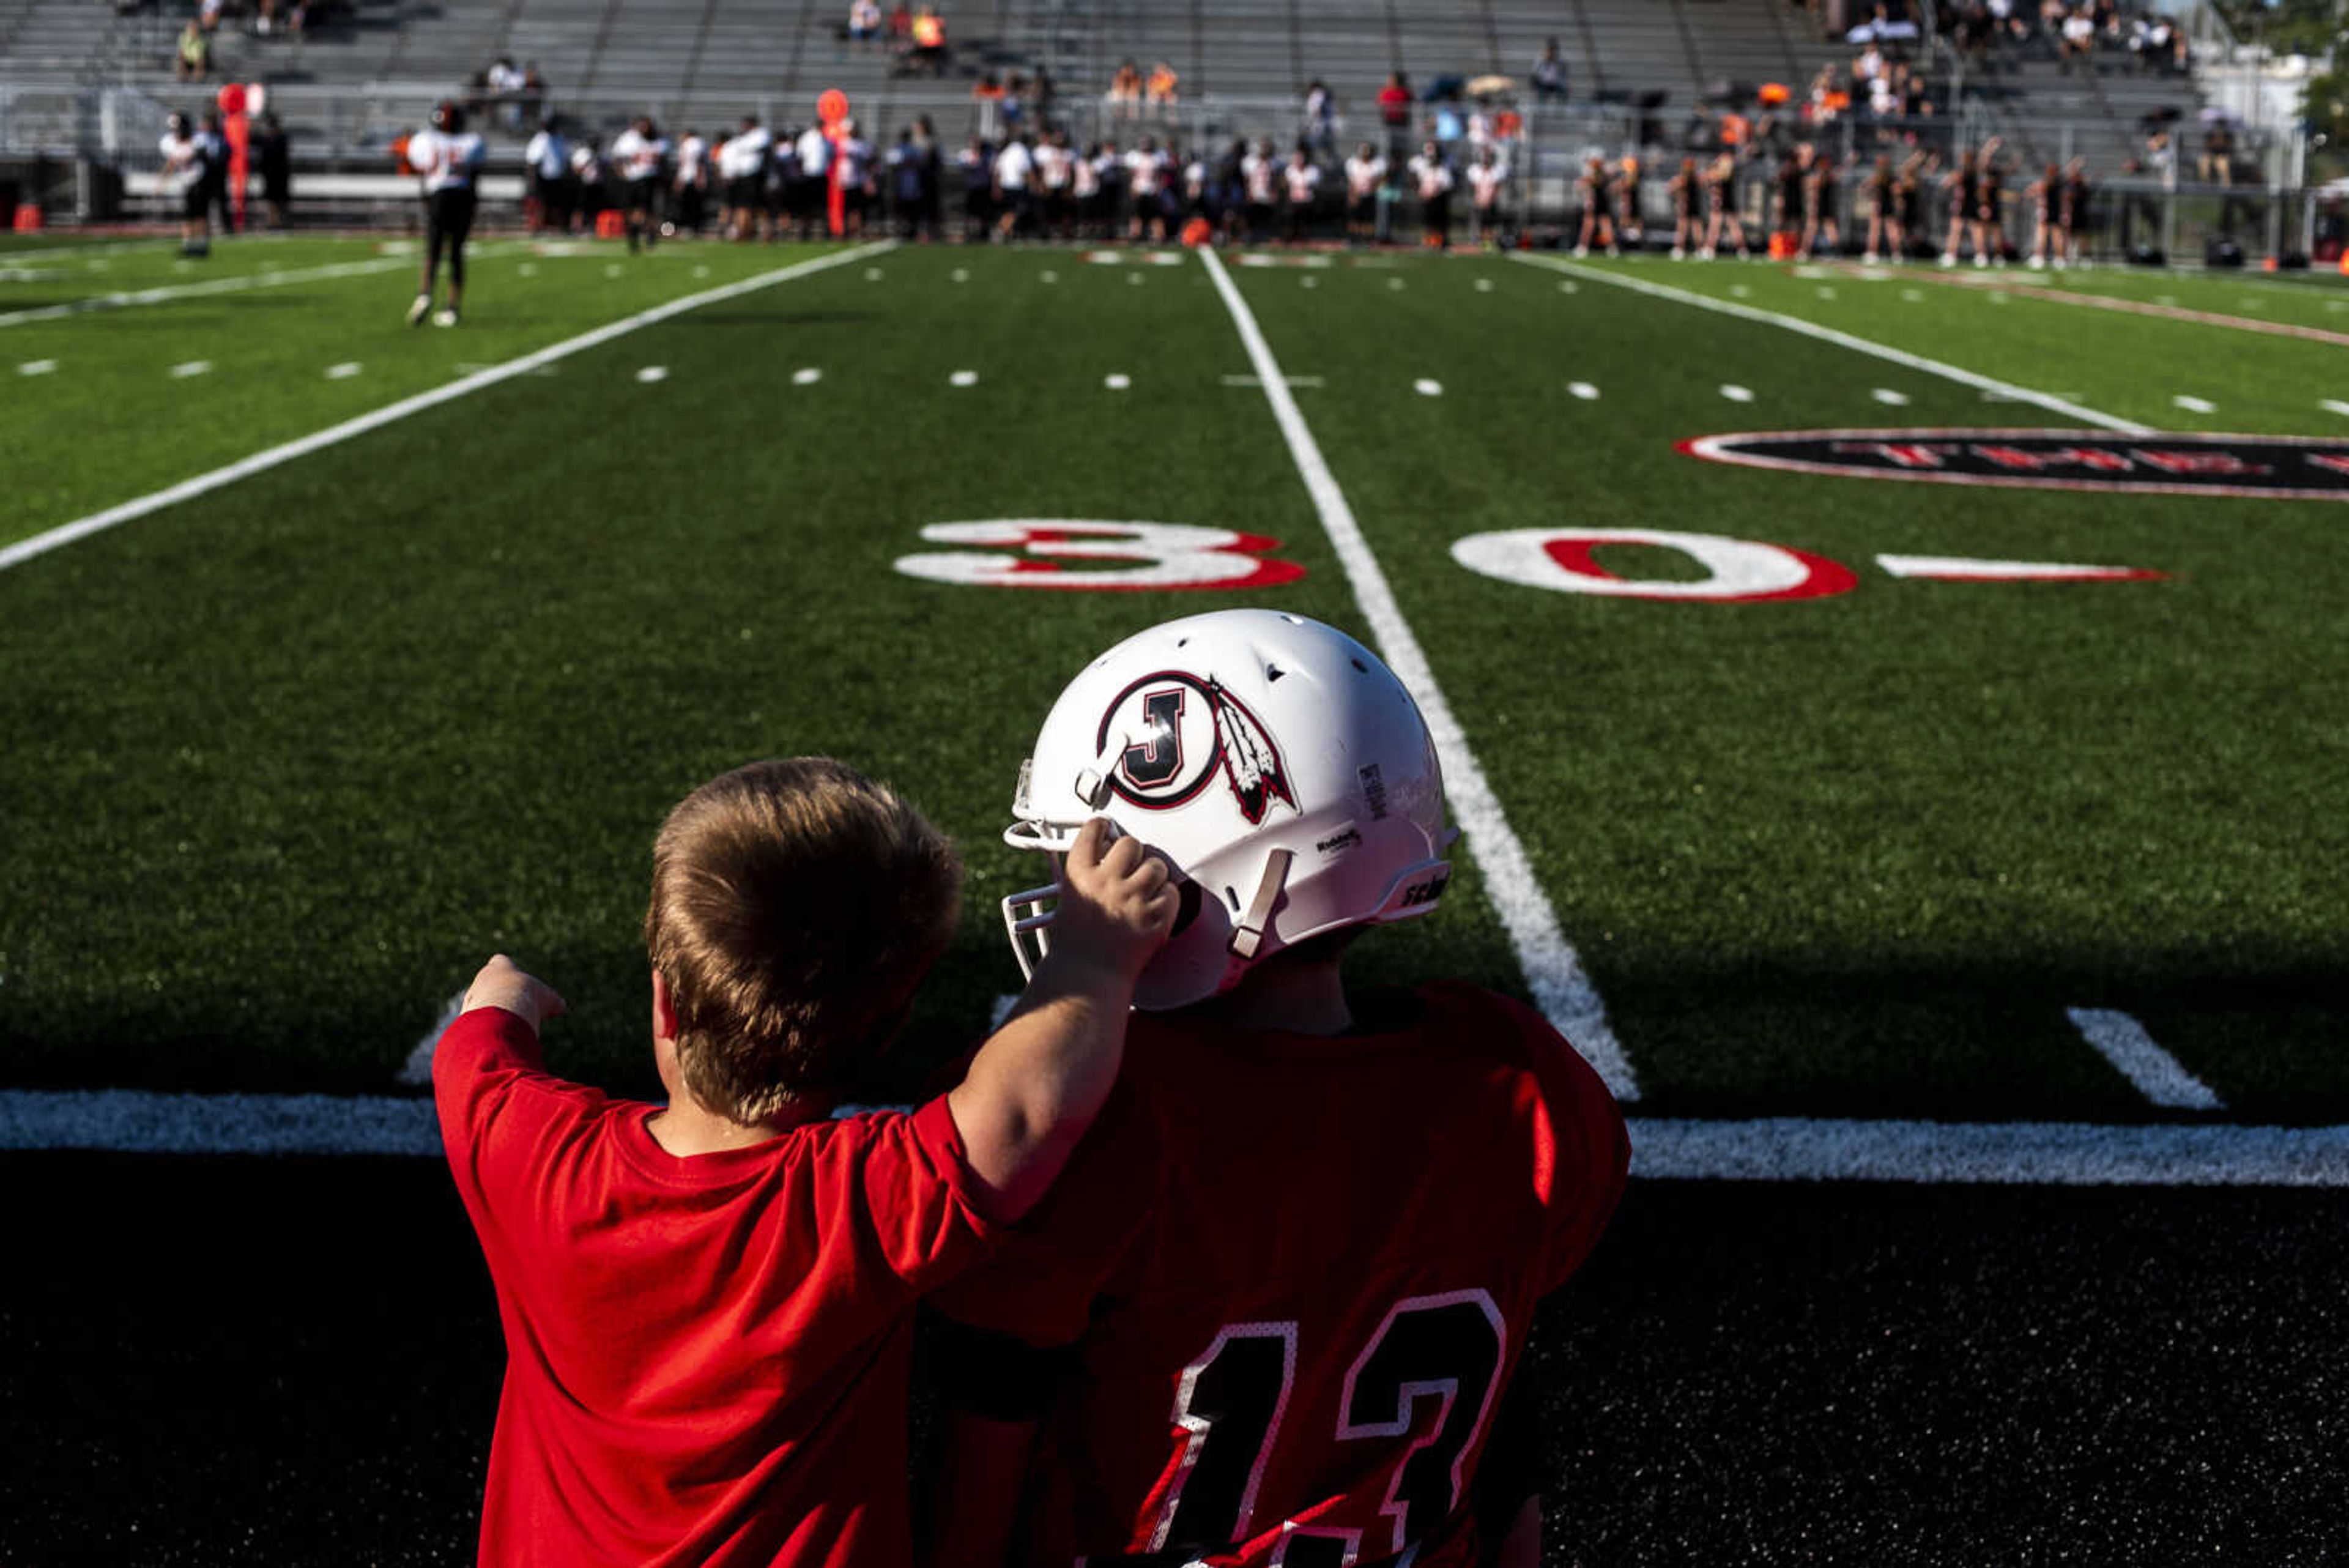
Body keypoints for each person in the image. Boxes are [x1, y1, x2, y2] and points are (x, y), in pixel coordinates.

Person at [926, 611, 1629, 1568]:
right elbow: (1506, 1410)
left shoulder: (1110, 1123)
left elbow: (981, 1453)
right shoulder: (1520, 1083)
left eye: (1090, 855)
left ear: (1204, 890)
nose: (1066, 879)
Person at [437, 759, 1176, 1567]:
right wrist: (1096, 963)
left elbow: (476, 1040)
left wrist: (504, 996)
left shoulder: (526, 1147)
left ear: (665, 1002)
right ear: (883, 1034)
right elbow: (1026, 1110)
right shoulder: (852, 1201)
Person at [404, 100, 483, 327]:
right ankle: (452, 307)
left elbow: (423, 173)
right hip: (462, 195)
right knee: (456, 253)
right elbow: (475, 176)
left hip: (438, 195)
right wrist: (474, 203)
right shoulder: (471, 142)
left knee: (433, 251)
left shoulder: (426, 140)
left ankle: (425, 294)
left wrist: (426, 201)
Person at [610, 114, 669, 251]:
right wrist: (621, 173)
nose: (644, 129)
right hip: (633, 179)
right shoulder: (628, 139)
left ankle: (647, 235)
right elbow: (617, 157)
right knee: (633, 210)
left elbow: (663, 160)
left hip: (650, 178)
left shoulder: (659, 140)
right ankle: (635, 234)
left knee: (647, 210)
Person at [158, 110, 212, 257]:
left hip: (201, 180)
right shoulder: (171, 143)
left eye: (179, 128)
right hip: (187, 182)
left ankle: (201, 246)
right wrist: (162, 181)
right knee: (188, 216)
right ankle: (189, 245)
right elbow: (172, 162)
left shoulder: (198, 140)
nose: (176, 132)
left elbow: (192, 157)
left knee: (199, 215)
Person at [524, 116, 570, 234]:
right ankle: (537, 228)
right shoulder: (540, 140)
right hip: (543, 177)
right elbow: (533, 161)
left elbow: (564, 158)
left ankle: (560, 227)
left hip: (558, 176)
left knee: (559, 204)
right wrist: (532, 180)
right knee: (541, 204)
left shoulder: (560, 138)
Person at [1408, 138, 1453, 248]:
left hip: (1439, 198)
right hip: (1426, 197)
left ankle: (1439, 242)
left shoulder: (1444, 168)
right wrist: (1420, 190)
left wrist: (1436, 191)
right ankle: (1429, 241)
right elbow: (1413, 178)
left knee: (1440, 221)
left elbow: (1448, 184)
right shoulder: (1420, 163)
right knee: (1428, 221)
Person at [1342, 140, 1386, 245]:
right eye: (1363, 149)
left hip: (1370, 195)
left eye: (1367, 149)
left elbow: (1381, 180)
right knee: (1354, 218)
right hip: (1356, 194)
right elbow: (1350, 181)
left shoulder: (1377, 164)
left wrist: (1374, 187)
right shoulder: (1352, 163)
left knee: (1369, 218)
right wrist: (1352, 195)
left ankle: (1368, 239)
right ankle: (1353, 238)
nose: (1365, 152)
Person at [253, 111, 290, 229]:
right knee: (271, 200)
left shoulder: (281, 138)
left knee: (279, 199)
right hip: (269, 174)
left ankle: (279, 221)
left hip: (279, 174)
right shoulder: (266, 139)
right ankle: (272, 221)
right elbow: (251, 139)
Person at [672, 125, 708, 234]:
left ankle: (692, 227)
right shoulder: (696, 143)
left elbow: (697, 161)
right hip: (689, 177)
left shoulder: (693, 143)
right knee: (691, 204)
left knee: (691, 204)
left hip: (691, 178)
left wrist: (698, 177)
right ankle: (693, 226)